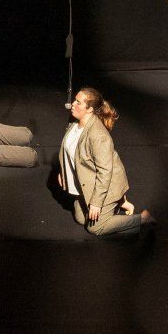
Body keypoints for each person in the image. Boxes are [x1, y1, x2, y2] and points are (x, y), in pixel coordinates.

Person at [56, 88, 153, 236]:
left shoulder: (98, 136)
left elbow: (105, 172)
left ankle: (143, 219)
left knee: (94, 228)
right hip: (87, 182)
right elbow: (69, 151)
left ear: (89, 109)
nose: (72, 104)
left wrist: (96, 203)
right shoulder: (74, 122)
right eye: (74, 100)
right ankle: (119, 203)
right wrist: (63, 171)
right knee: (81, 218)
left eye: (78, 102)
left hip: (107, 185)